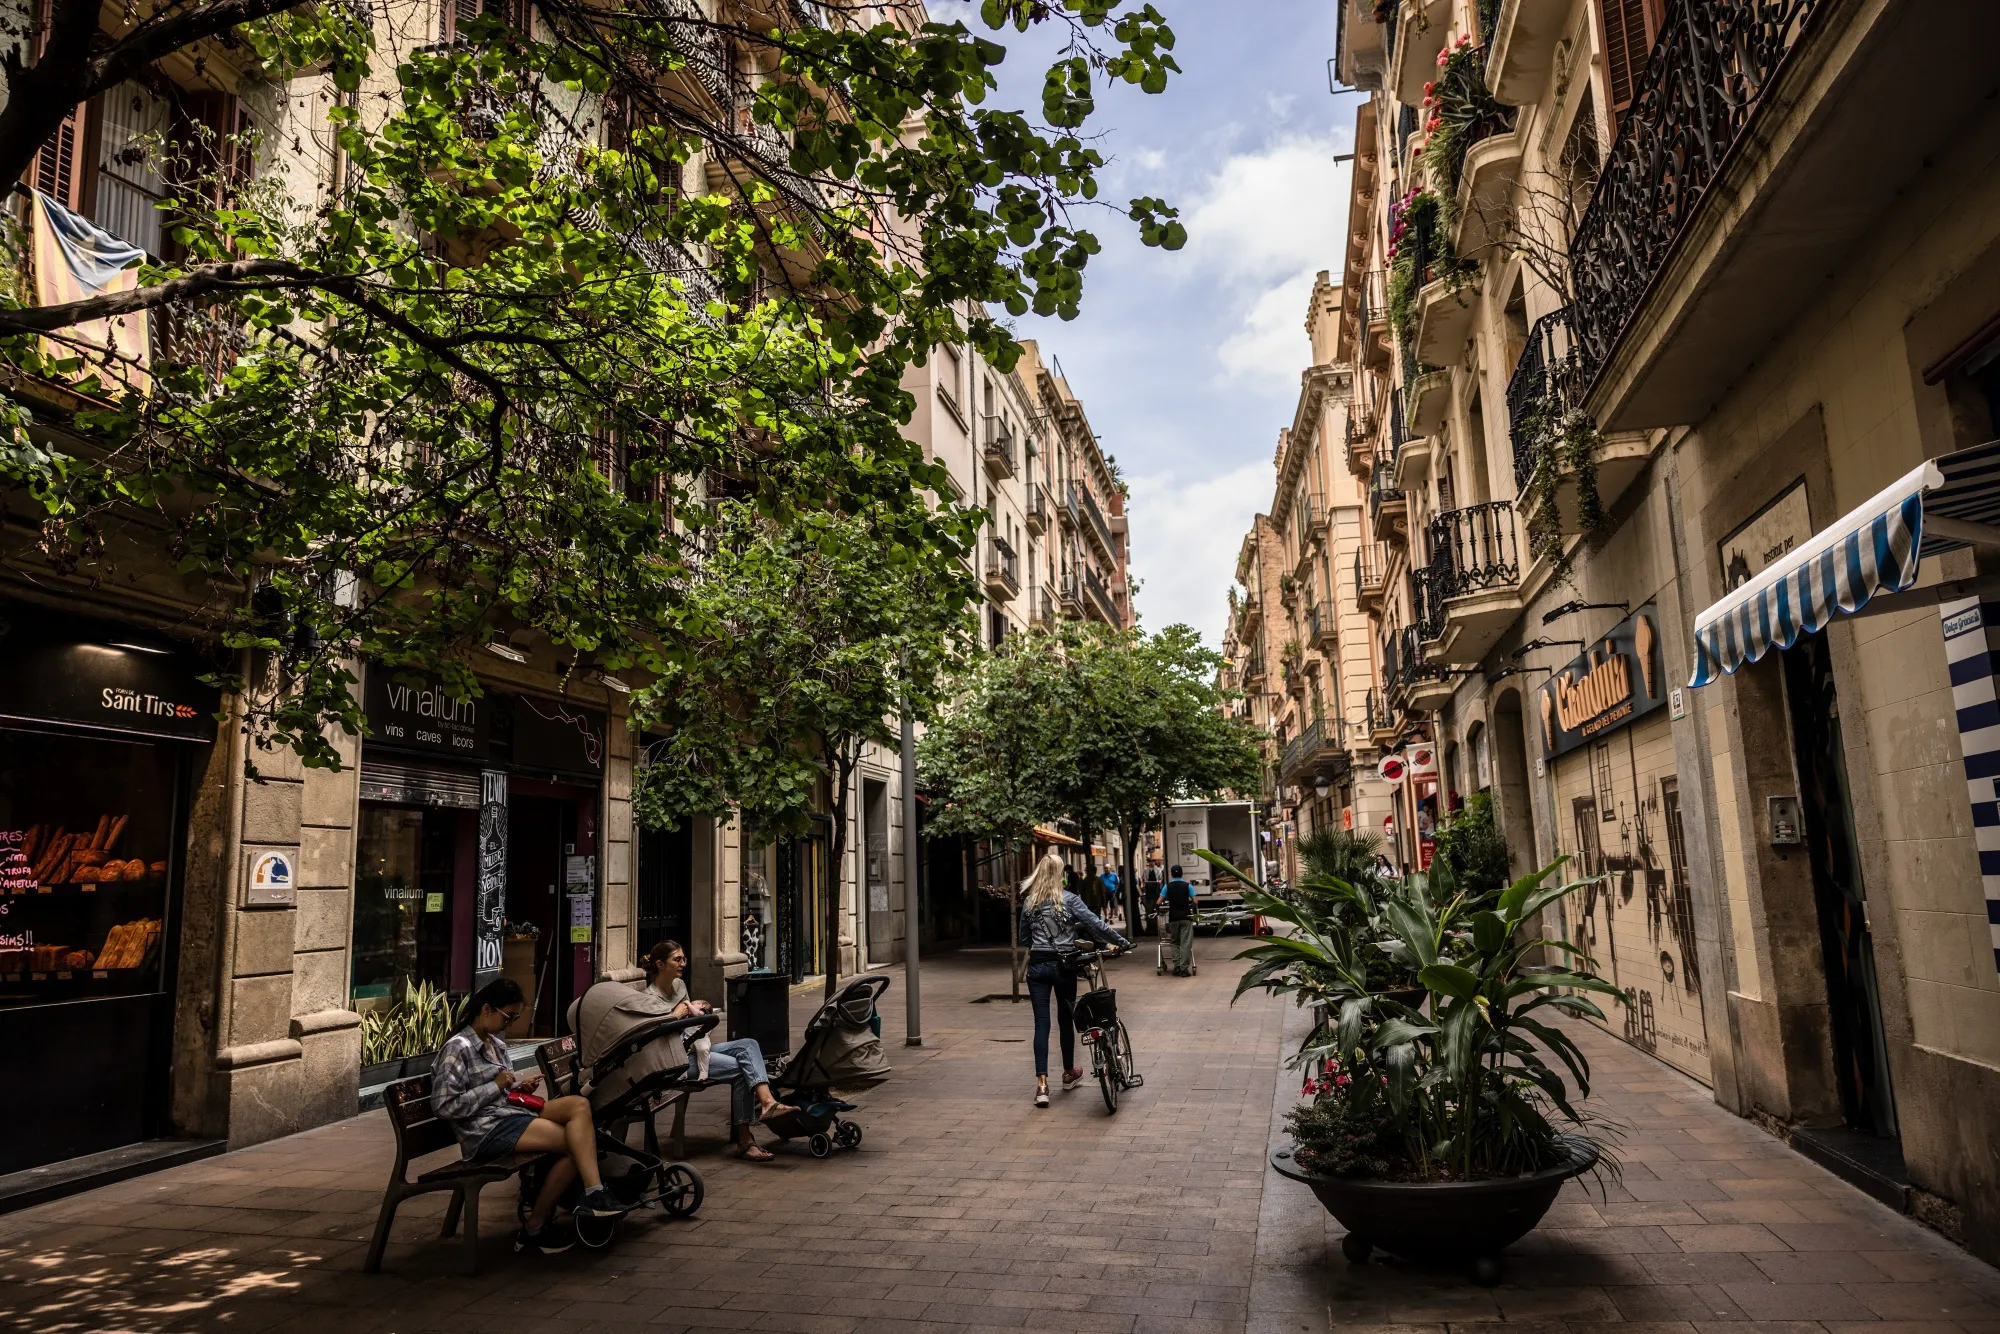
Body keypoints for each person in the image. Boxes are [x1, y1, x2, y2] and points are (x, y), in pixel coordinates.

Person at [431, 976, 625, 1255]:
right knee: (576, 1144)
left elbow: (500, 1091)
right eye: (508, 1017)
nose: (510, 1024)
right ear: (486, 1010)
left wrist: (516, 1087)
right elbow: (445, 1106)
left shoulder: (495, 1044)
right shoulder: (457, 1048)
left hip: (509, 1111)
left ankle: (594, 1192)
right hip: (485, 1130)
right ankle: (534, 1228)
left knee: (578, 1106)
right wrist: (494, 1086)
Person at [641, 940, 797, 1161]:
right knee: (742, 1068)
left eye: (684, 958)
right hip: (676, 1061)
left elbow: (692, 1021)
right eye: (677, 959)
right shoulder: (648, 998)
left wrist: (700, 1007)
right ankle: (746, 1140)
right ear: (659, 964)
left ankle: (767, 1102)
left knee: (748, 1045)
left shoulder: (679, 986)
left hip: (696, 1050)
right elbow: (657, 1038)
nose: (683, 963)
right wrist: (676, 1014)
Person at [1019, 850, 1130, 1107]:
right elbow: (1096, 925)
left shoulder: (1029, 903)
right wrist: (1121, 942)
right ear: (1060, 875)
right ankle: (1069, 1073)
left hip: (1037, 968)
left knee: (1041, 1023)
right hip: (1063, 967)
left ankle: (1042, 1086)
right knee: (1065, 1020)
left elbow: (1024, 939)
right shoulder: (1069, 900)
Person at [1158, 864, 1197, 976]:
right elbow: (1195, 900)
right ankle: (1184, 969)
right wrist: (1191, 906)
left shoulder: (1167, 887)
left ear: (1171, 874)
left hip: (1173, 918)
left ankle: (1176, 967)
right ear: (1182, 873)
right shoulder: (1188, 886)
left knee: (1174, 942)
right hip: (1186, 917)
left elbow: (1158, 902)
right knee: (1185, 943)